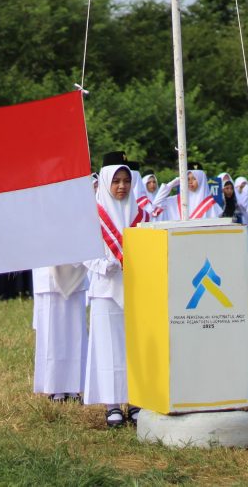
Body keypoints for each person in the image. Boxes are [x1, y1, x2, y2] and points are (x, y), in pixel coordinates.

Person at [84, 151, 147, 427]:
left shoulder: (140, 213)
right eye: (116, 181)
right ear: (107, 182)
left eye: (126, 180)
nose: (122, 186)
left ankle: (136, 401)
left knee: (135, 347)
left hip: (136, 290)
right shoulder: (91, 215)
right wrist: (102, 265)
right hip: (105, 290)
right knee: (109, 348)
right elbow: (82, 251)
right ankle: (112, 404)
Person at [32, 261, 88, 402]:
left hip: (75, 268)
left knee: (74, 332)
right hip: (48, 273)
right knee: (53, 332)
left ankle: (74, 385)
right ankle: (54, 386)